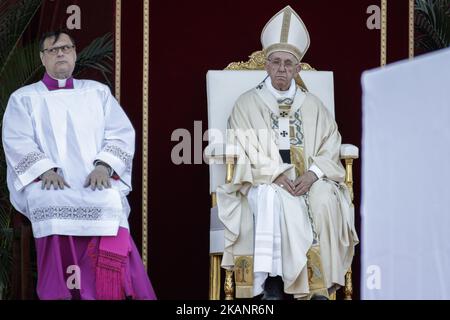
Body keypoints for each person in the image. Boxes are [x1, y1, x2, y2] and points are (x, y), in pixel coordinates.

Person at [217, 6, 359, 300]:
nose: (282, 69)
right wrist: (277, 174)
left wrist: (313, 174)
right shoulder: (246, 104)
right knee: (274, 198)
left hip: (309, 179)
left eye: (288, 64)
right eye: (276, 62)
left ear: (297, 68)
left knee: (325, 200)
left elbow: (330, 144)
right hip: (264, 181)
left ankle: (318, 287)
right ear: (266, 66)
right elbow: (245, 148)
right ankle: (273, 287)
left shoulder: (313, 105)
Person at [2, 30, 156, 300]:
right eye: (52, 49)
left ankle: (108, 291)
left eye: (66, 48)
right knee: (48, 201)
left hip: (93, 180)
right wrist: (44, 170)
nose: (60, 53)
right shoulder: (24, 98)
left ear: (74, 53)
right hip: (48, 183)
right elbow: (17, 140)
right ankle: (59, 293)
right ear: (42, 58)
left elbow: (120, 133)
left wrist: (103, 166)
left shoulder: (98, 93)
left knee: (110, 200)